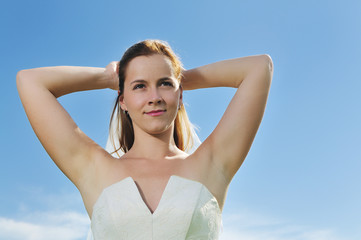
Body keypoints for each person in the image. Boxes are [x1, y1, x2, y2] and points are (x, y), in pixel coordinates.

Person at [16, 39, 273, 239]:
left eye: (164, 84)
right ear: (123, 100)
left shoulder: (212, 164)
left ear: (180, 95)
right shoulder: (93, 168)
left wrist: (179, 77)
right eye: (139, 86)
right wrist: (108, 78)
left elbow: (260, 67)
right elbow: (30, 81)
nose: (154, 97)